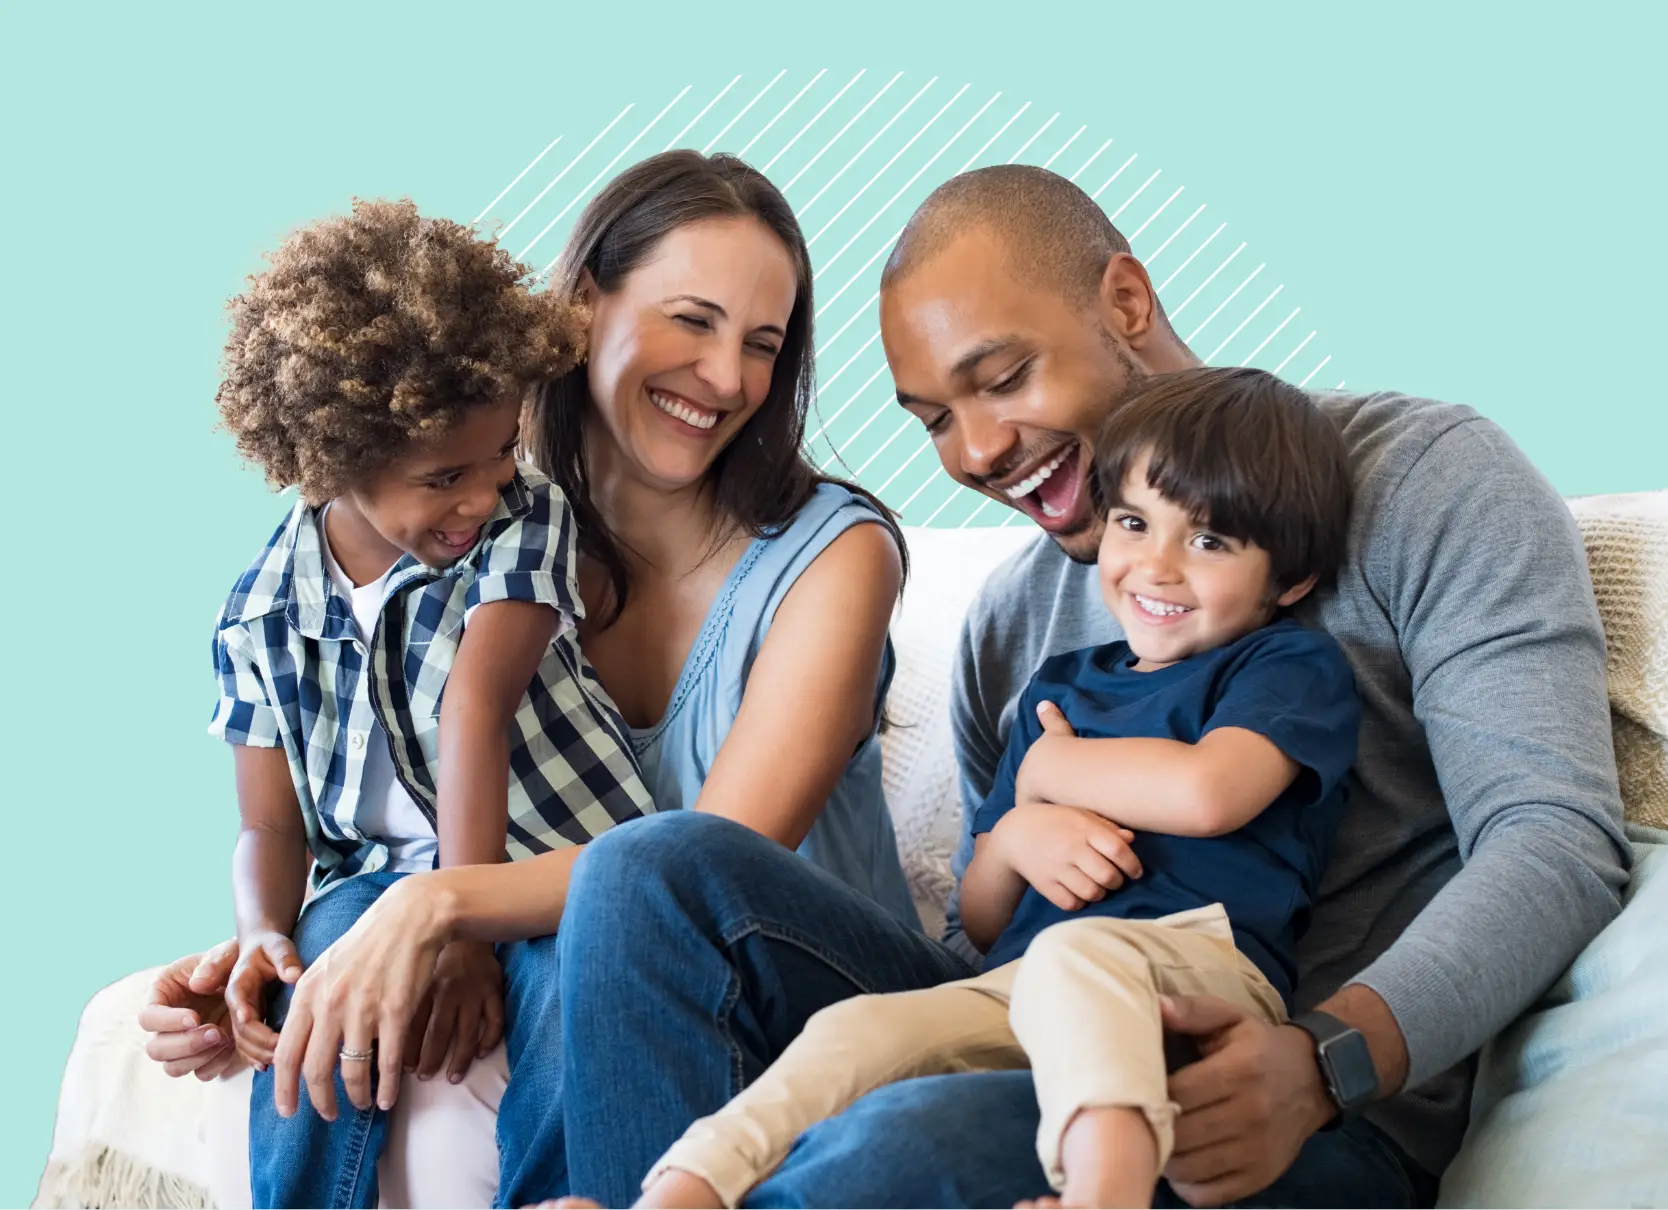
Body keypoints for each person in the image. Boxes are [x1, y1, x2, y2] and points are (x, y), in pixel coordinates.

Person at [551, 164, 1631, 1209]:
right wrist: (1009, 851)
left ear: (1124, 300)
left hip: (1289, 1111)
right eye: (932, 418)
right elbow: (994, 937)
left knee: (900, 1141)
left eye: (1004, 377)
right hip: (1037, 1037)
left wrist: (1321, 1062)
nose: (975, 451)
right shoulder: (1013, 625)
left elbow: (1554, 835)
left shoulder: (1420, 477)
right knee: (651, 868)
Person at [136, 151, 931, 1208]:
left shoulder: (835, 555)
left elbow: (699, 867)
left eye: (762, 345)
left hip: (810, 983)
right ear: (582, 304)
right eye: (692, 320)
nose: (731, 378)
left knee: (628, 895)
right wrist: (269, 947)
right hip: (580, 947)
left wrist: (439, 906)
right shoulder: (463, 528)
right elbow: (368, 797)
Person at [601, 368, 1360, 1210]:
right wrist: (1017, 841)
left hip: (1199, 976)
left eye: (1210, 542)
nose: (1157, 566)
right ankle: (675, 1194)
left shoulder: (1283, 664)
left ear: (1287, 582)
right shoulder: (1060, 689)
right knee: (859, 1031)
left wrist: (1049, 775)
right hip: (1027, 984)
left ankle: (1107, 1193)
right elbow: (986, 915)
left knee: (1082, 955)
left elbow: (1213, 794)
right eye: (1135, 523)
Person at [207, 196, 649, 1209]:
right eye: (445, 475)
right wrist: (259, 929)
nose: (483, 495)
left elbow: (475, 707)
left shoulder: (523, 522)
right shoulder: (260, 612)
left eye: (500, 455)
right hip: (374, 881)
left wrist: (463, 927)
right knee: (317, 973)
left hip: (551, 862)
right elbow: (267, 819)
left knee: (571, 993)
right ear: (333, 461)